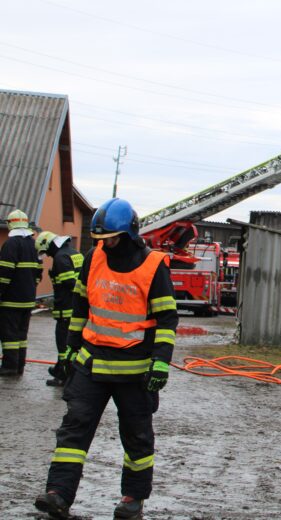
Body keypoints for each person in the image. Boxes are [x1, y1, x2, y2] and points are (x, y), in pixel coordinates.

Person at [35, 198, 178, 520]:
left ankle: (133, 499)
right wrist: (70, 348)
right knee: (74, 430)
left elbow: (167, 319)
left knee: (137, 437)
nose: (104, 244)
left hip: (135, 371)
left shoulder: (153, 265)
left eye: (110, 238)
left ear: (128, 234)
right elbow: (80, 306)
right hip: (91, 364)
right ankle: (58, 494)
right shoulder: (93, 258)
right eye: (100, 239)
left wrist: (160, 362)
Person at [35, 230, 84, 387]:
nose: (47, 255)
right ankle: (59, 370)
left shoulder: (60, 257)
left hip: (66, 310)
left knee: (64, 346)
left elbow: (70, 283)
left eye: (46, 251)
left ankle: (64, 377)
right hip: (77, 309)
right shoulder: (75, 253)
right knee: (72, 346)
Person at [0, 209, 42, 376]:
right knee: (21, 335)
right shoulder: (34, 244)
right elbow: (39, 273)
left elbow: (4, 273)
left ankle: (9, 366)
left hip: (11, 299)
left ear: (11, 224)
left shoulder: (11, 244)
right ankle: (19, 366)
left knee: (9, 334)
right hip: (28, 299)